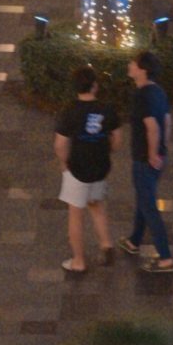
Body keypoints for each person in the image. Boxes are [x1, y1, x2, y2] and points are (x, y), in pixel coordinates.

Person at [54, 65, 120, 273]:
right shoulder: (107, 110)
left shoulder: (69, 112)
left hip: (78, 169)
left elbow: (60, 145)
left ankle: (79, 261)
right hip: (100, 167)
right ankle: (106, 244)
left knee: (75, 214)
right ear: (94, 86)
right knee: (97, 205)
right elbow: (117, 141)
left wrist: (64, 164)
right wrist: (107, 149)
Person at [117, 51, 173, 271]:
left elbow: (152, 127)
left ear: (142, 69)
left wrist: (151, 154)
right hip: (159, 156)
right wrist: (162, 149)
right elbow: (167, 121)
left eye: (133, 62)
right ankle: (134, 240)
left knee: (149, 206)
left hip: (144, 159)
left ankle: (166, 257)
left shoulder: (141, 96)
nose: (130, 64)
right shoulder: (158, 91)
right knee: (144, 197)